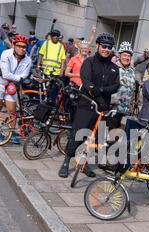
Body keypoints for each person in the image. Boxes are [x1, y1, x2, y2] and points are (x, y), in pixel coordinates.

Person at [58, 32, 120, 178]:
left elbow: (115, 86)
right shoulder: (89, 62)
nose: (106, 49)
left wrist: (102, 91)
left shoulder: (114, 68)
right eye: (103, 46)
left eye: (109, 47)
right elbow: (87, 83)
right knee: (78, 134)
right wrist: (98, 94)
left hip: (103, 108)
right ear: (97, 46)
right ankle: (66, 162)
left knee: (95, 139)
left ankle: (84, 165)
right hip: (86, 104)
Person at [0, 35, 32, 144]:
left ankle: (12, 132)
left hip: (12, 86)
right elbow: (6, 74)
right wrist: (19, 78)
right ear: (14, 45)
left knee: (12, 111)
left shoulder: (28, 60)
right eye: (19, 46)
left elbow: (25, 75)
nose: (22, 49)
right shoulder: (6, 54)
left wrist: (18, 78)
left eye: (24, 47)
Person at [109, 41, 136, 129]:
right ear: (119, 55)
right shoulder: (113, 67)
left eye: (129, 56)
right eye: (124, 55)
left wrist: (132, 105)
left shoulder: (132, 71)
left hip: (125, 111)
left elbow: (133, 89)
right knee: (104, 136)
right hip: (112, 109)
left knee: (117, 136)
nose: (127, 58)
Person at [37, 29, 66, 102]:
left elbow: (63, 59)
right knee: (44, 90)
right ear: (51, 36)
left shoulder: (60, 46)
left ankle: (50, 104)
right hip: (45, 70)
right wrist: (38, 65)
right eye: (54, 36)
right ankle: (41, 103)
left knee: (53, 91)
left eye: (57, 37)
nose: (55, 38)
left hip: (56, 72)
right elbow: (41, 54)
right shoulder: (46, 43)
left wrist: (61, 71)